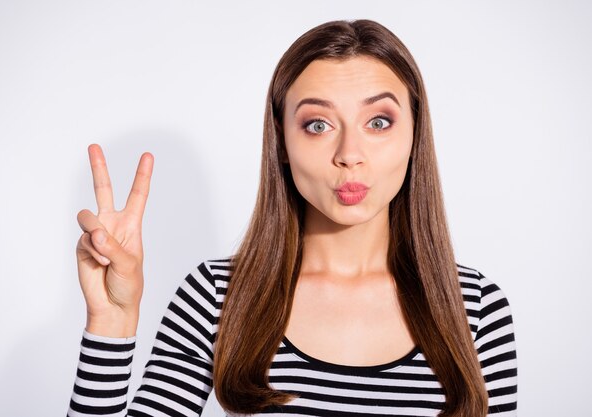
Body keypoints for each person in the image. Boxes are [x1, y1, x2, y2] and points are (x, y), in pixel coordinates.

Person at [68, 19, 517, 417]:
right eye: (318, 125)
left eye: (378, 122)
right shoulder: (217, 298)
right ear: (281, 142)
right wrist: (111, 322)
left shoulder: (476, 310)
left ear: (415, 134)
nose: (349, 156)